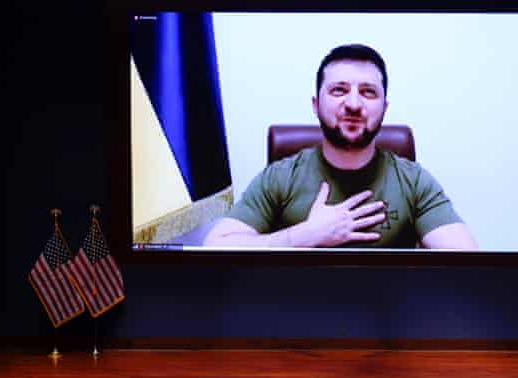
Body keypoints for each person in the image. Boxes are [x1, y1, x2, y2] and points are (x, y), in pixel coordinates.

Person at [204, 43, 477, 250]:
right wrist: (304, 235)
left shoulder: (413, 181)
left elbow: (466, 261)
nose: (354, 104)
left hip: (387, 308)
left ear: (384, 107)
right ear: (316, 105)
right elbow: (216, 247)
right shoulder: (280, 177)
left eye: (368, 92)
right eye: (339, 90)